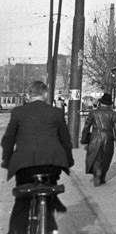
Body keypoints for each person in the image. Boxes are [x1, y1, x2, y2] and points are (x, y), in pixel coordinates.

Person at [1, 80, 74, 234]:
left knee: (22, 201)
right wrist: (69, 161)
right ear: (45, 94)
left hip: (24, 166)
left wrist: (6, 161)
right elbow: (66, 141)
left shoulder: (18, 112)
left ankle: (16, 231)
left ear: (29, 95)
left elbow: (8, 140)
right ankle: (51, 217)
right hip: (51, 164)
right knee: (50, 183)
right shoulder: (56, 112)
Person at [80, 92, 116, 187]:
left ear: (101, 102)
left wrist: (83, 140)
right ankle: (102, 175)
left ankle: (96, 171)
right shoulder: (114, 114)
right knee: (106, 158)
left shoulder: (93, 113)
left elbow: (86, 127)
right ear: (110, 104)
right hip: (109, 137)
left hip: (95, 136)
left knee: (96, 157)